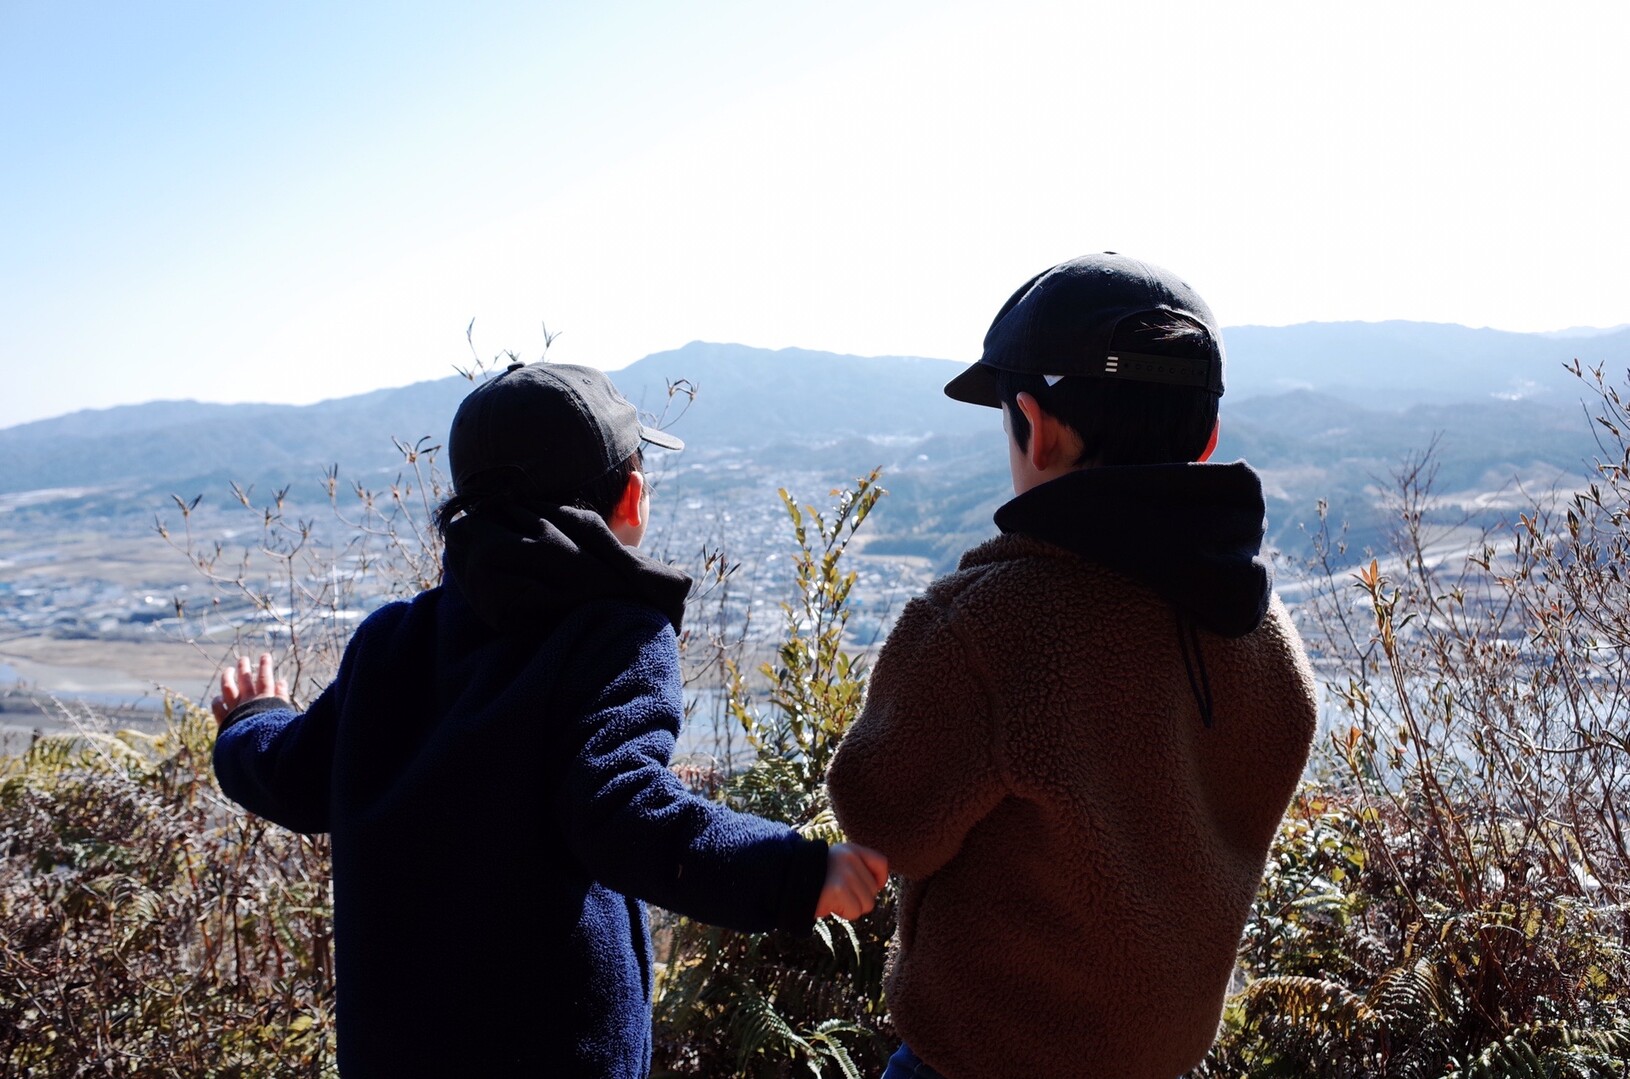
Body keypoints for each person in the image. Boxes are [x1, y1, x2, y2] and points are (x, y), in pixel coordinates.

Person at [212, 360, 888, 1077]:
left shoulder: (392, 641)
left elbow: (295, 774)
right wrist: (798, 871)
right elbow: (619, 807)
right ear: (631, 497)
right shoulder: (613, 637)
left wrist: (250, 720)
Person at [826, 254, 1318, 1079]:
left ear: (1035, 424)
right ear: (1207, 436)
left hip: (981, 1060)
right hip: (1157, 1060)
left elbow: (885, 818)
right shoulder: (1265, 634)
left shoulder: (989, 626)